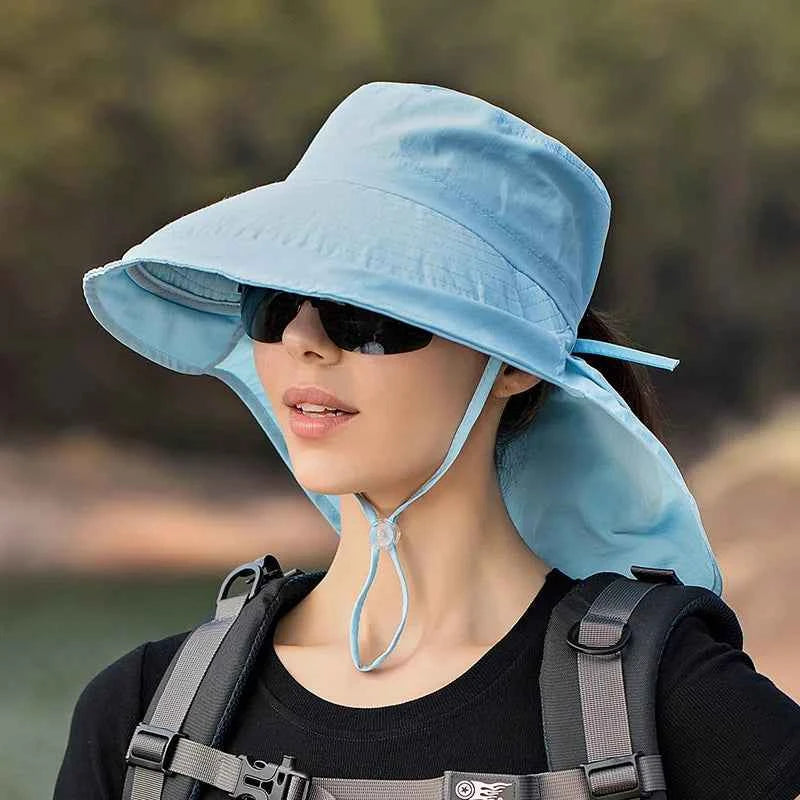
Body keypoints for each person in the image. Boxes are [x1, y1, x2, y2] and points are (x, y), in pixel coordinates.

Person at [54, 81, 800, 800]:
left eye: (365, 314)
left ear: (512, 364)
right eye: (274, 304)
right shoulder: (140, 714)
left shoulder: (675, 703)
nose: (304, 340)